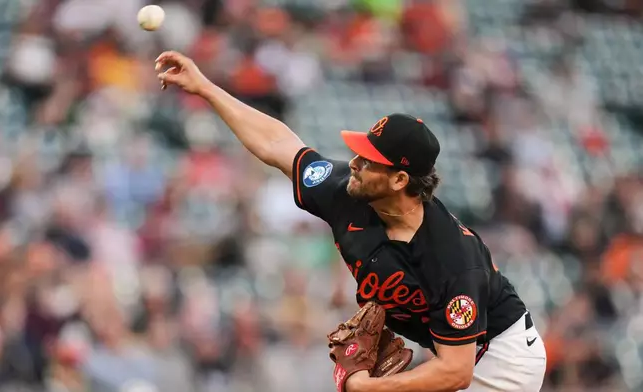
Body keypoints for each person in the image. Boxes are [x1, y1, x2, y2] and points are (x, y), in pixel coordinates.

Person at [154, 51, 547, 392]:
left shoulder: (452, 258)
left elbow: (456, 372)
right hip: (454, 354)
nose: (355, 162)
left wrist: (371, 387)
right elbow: (279, 145)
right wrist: (205, 87)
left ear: (399, 180)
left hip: (501, 359)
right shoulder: (347, 190)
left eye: (369, 160)